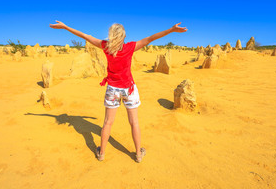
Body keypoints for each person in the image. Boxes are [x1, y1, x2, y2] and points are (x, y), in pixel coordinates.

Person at [49, 20, 187, 162]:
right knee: (134, 122)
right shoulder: (130, 47)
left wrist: (66, 27)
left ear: (111, 35)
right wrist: (171, 30)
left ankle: (101, 153)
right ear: (124, 36)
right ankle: (138, 154)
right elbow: (150, 38)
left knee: (108, 122)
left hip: (113, 89)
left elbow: (86, 36)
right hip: (129, 89)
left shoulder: (106, 47)